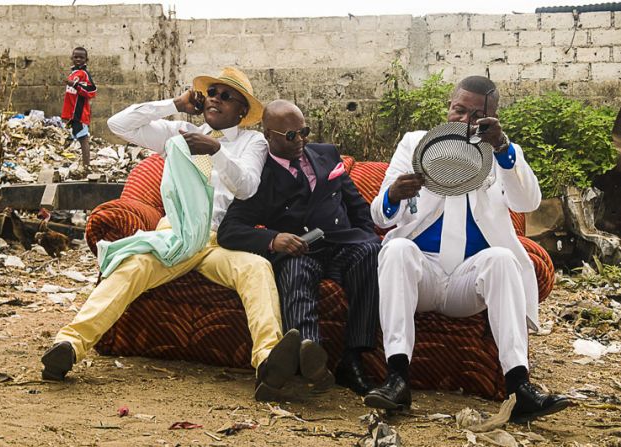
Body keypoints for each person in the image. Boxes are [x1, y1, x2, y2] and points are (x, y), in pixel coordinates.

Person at [42, 67, 299, 402]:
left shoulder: (253, 142)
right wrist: (173, 104)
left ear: (241, 111)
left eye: (226, 96)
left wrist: (216, 151)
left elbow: (247, 187)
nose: (216, 99)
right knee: (132, 267)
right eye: (212, 94)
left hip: (217, 240)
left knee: (256, 269)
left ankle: (267, 362)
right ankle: (69, 345)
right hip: (175, 235)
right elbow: (118, 125)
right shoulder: (181, 132)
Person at [364, 76, 571, 423]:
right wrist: (393, 195)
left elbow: (527, 200)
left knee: (504, 259)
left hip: (468, 281)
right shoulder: (417, 144)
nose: (463, 120)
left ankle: (519, 387)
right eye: (458, 110)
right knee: (397, 249)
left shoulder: (503, 152)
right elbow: (380, 216)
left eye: (474, 115)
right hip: (423, 275)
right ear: (449, 107)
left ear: (491, 118)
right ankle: (397, 379)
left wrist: (502, 148)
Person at [218, 100, 381, 397]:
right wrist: (273, 238)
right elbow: (230, 230)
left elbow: (357, 205)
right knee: (293, 271)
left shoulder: (327, 154)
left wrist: (369, 236)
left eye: (304, 132)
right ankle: (310, 357)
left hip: (343, 242)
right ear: (269, 135)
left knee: (370, 252)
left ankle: (354, 359)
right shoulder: (259, 175)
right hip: (300, 249)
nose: (301, 141)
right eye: (291, 136)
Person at [61, 47, 97, 171]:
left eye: (81, 57)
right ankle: (82, 164)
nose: (78, 59)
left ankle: (86, 167)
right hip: (72, 113)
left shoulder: (84, 74)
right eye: (76, 57)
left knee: (83, 138)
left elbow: (92, 91)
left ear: (86, 60)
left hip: (80, 113)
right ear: (72, 58)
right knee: (78, 137)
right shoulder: (74, 73)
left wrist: (75, 85)